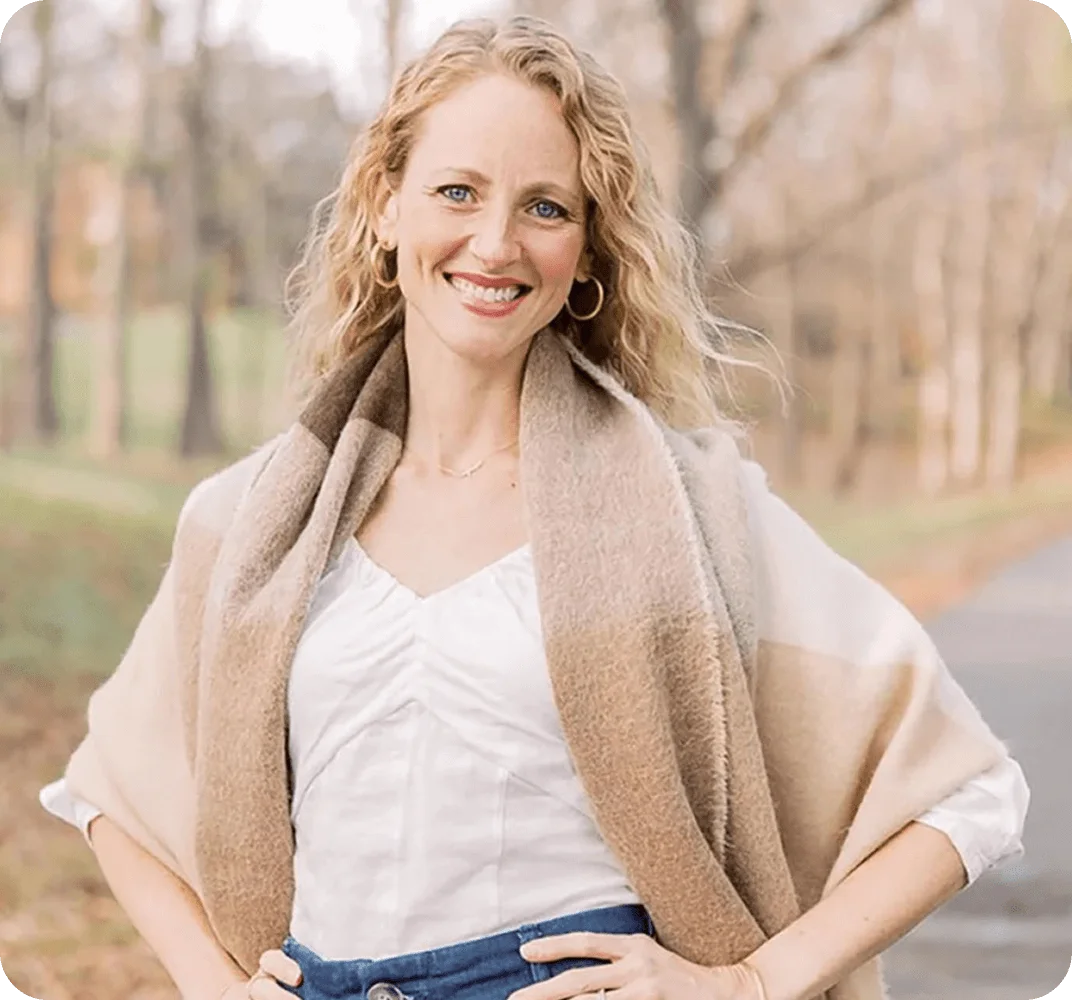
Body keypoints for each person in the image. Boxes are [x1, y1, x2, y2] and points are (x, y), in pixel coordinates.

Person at [40, 15, 1028, 1000]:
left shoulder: (693, 514)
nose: (495, 242)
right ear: (386, 208)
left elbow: (970, 791)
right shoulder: (255, 517)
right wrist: (212, 984)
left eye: (546, 207)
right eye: (457, 191)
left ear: (590, 249)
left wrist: (753, 982)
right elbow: (111, 791)